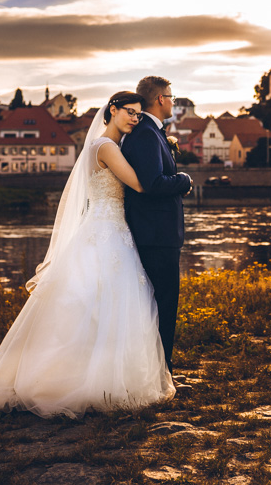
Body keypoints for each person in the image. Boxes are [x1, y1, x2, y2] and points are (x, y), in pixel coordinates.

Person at [0, 91, 175, 418]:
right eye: (130, 113)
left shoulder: (104, 145)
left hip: (110, 229)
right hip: (106, 232)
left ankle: (98, 373)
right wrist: (163, 166)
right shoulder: (106, 147)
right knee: (102, 305)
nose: (135, 119)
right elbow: (139, 184)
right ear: (113, 111)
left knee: (99, 305)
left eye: (138, 114)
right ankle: (85, 379)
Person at [121, 76, 193, 381]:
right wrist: (184, 180)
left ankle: (157, 370)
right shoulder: (148, 135)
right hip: (157, 235)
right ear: (160, 99)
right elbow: (151, 184)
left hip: (155, 233)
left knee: (157, 304)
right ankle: (162, 373)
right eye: (172, 97)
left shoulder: (149, 132)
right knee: (163, 305)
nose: (174, 103)